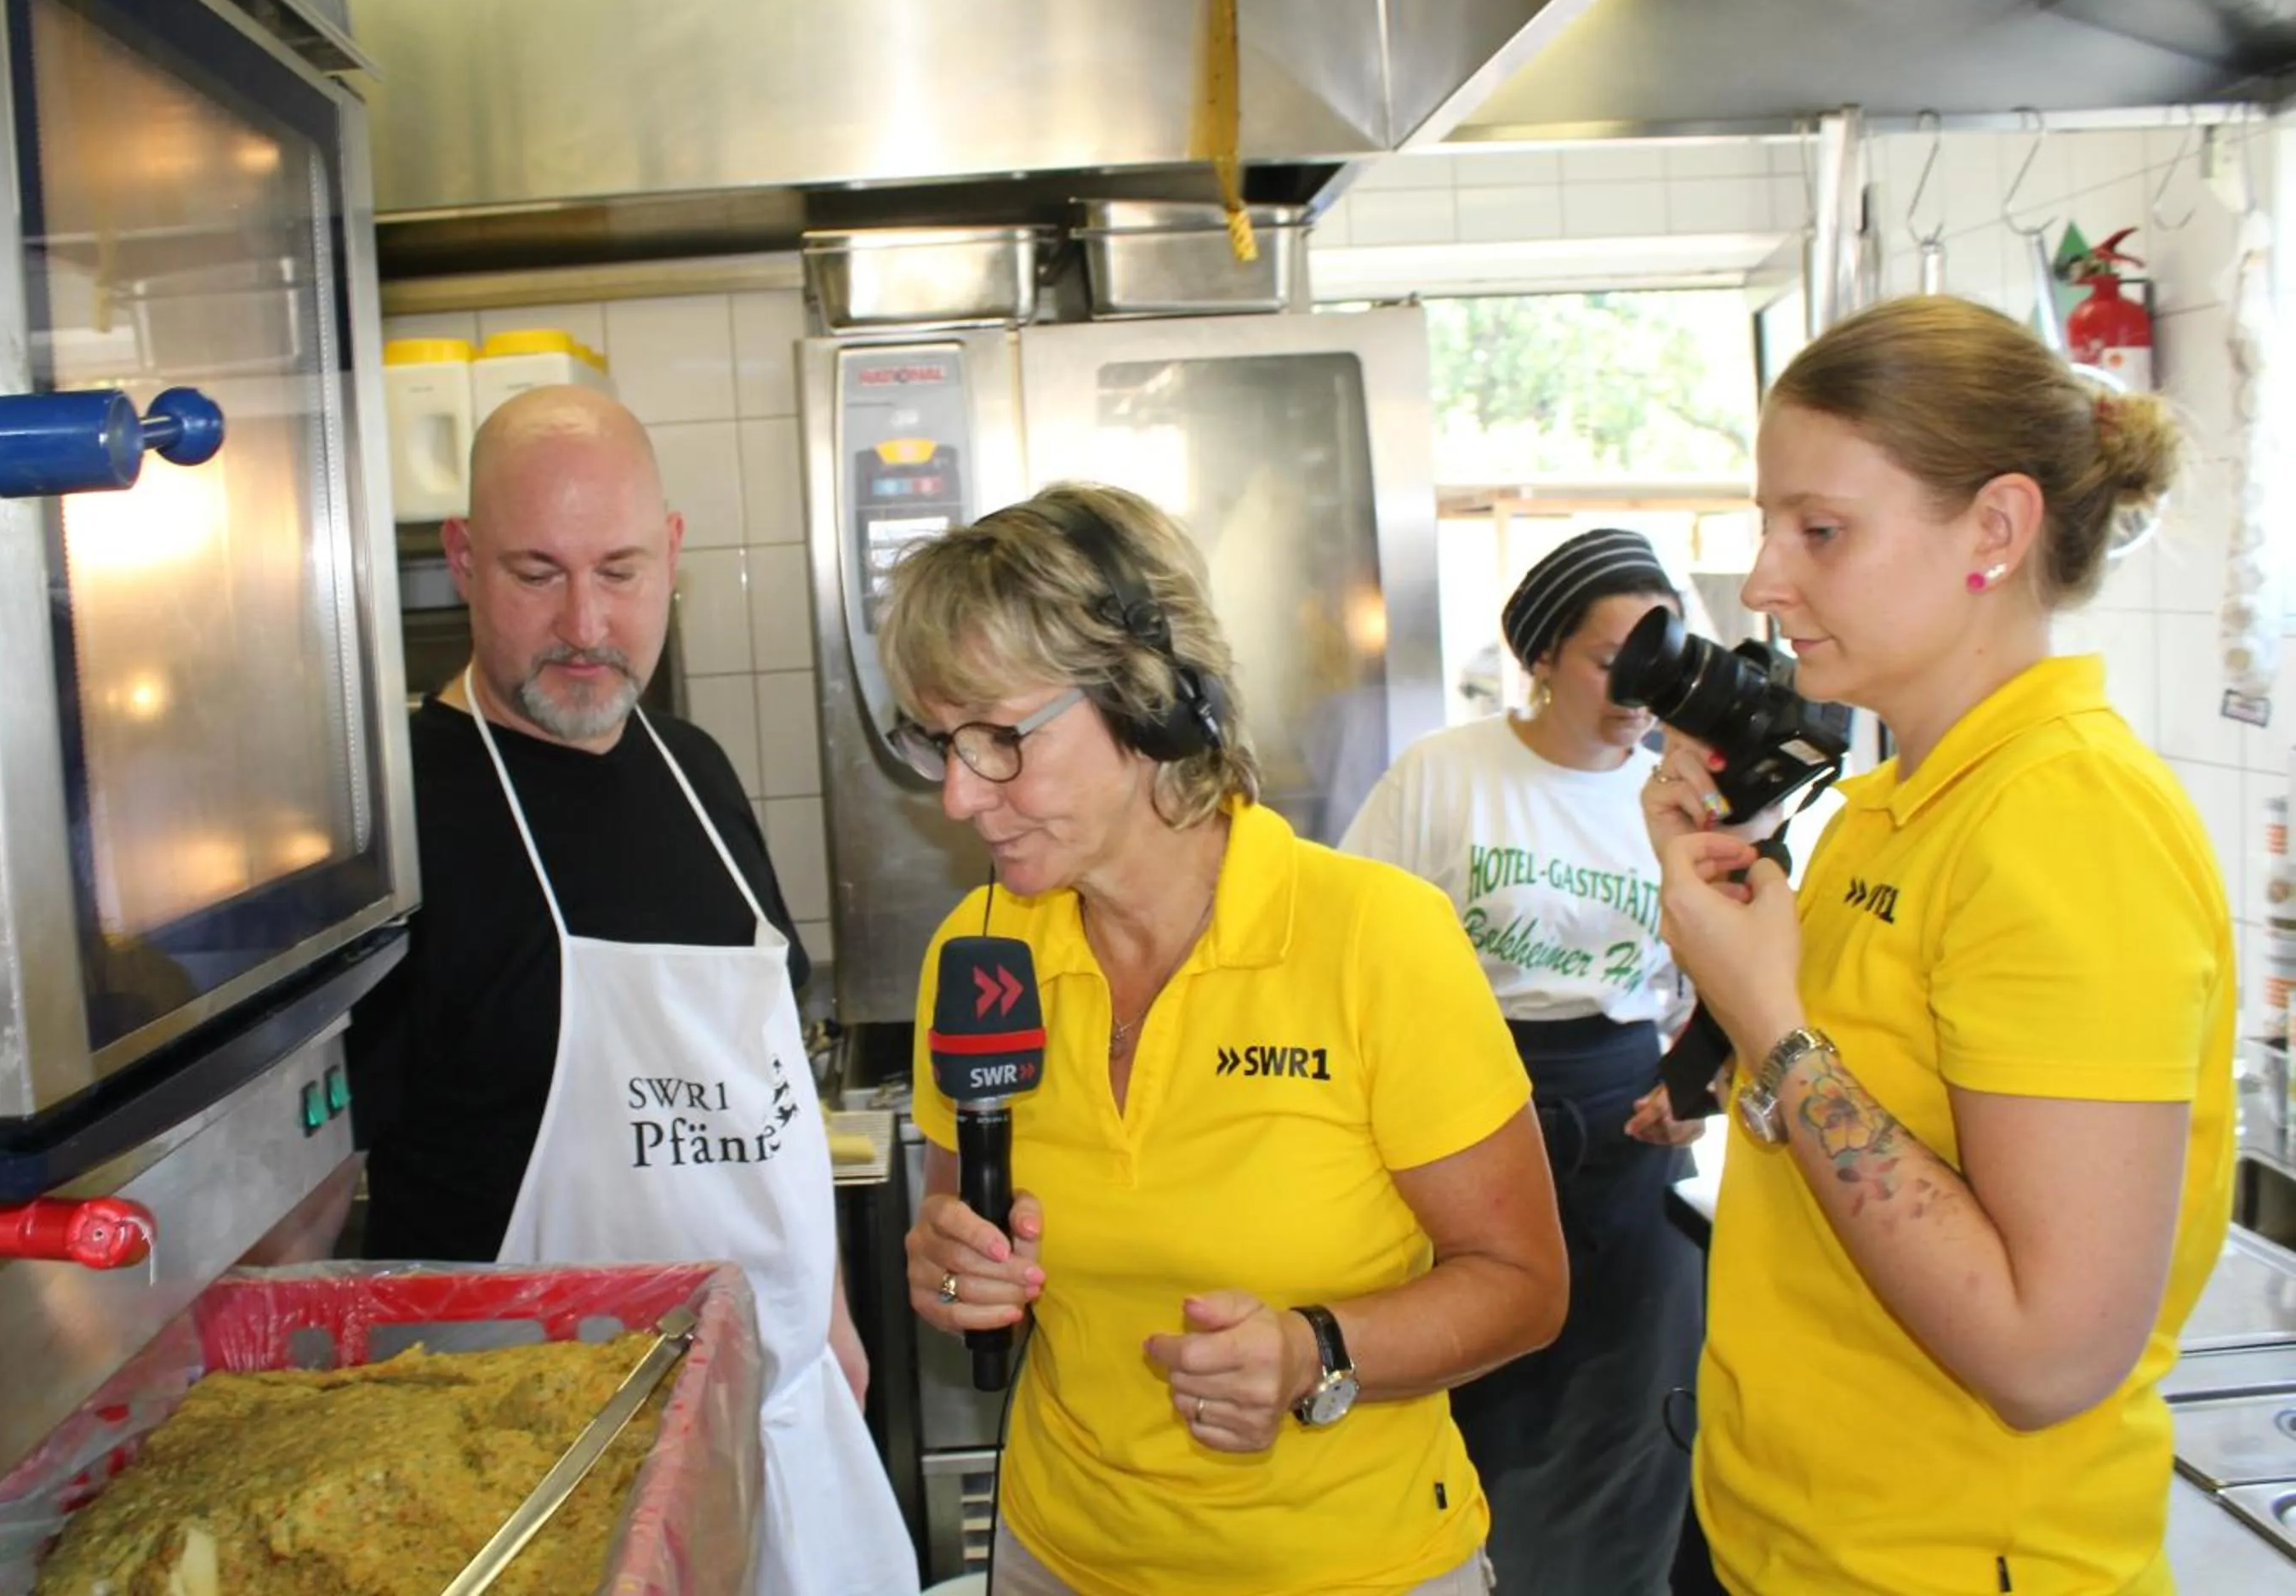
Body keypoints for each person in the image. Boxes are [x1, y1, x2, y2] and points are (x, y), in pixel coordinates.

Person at [1638, 296, 2233, 1595]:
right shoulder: (1889, 807)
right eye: (1768, 524)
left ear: (1997, 530)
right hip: (1775, 1541)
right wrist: (1727, 954)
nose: (1764, 582)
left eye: (1821, 531)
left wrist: (1772, 1028)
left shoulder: (2069, 825)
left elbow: (2046, 1356)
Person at [887, 482, 1568, 1596]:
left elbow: (1524, 1284)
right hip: (1057, 1557)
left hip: (1355, 1570)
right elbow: (962, 1223)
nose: (960, 795)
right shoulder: (980, 949)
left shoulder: (1376, 940)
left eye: (999, 738)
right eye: (939, 742)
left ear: (1152, 705)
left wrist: (1318, 1350)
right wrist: (951, 1264)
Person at [344, 385, 919, 1596]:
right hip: (527, 1485)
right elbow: (304, 1210)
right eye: (535, 573)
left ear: (672, 552)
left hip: (778, 1423)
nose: (585, 623)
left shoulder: (695, 772)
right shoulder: (393, 816)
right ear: (461, 560)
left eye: (618, 570)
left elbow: (770, 1083)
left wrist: (831, 1317)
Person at [1340, 526, 1705, 1596]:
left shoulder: (1674, 798)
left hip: (1630, 1125)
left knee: (1626, 1419)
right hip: (1464, 1114)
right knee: (1473, 1399)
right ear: (1543, 655)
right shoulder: (1447, 774)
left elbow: (1717, 983)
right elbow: (1354, 952)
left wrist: (1698, 1083)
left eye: (1660, 660)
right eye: (1612, 660)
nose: (1639, 691)